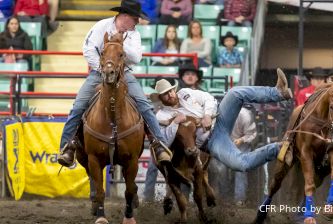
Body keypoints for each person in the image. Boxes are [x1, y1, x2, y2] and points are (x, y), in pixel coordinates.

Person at [57, 0, 173, 173]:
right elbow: (88, 49)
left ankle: (159, 145)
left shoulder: (133, 34)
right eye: (135, 19)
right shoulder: (101, 26)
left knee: (144, 105)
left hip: (124, 73)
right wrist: (104, 69)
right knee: (79, 106)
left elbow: (136, 58)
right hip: (98, 72)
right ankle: (67, 147)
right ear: (125, 16)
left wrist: (119, 43)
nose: (137, 23)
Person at [150, 68, 292, 173]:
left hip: (220, 119)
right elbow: (165, 141)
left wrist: (206, 115)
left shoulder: (185, 93)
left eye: (170, 91)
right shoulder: (162, 115)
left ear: (174, 90)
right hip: (211, 141)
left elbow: (208, 98)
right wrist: (175, 123)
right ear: (160, 99)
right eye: (165, 94)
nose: (170, 95)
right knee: (241, 164)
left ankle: (278, 92)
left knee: (234, 93)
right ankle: (277, 149)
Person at [231, 104, 257, 206]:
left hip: (242, 143)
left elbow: (252, 134)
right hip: (226, 142)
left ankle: (239, 199)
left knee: (240, 168)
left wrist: (241, 140)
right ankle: (222, 196)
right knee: (219, 168)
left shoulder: (245, 115)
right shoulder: (221, 114)